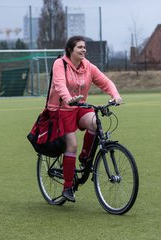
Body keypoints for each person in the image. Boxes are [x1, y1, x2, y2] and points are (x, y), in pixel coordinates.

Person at [47, 36, 122, 202]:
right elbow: (59, 84)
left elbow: (105, 82)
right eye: (80, 47)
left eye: (84, 47)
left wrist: (115, 95)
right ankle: (67, 186)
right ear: (70, 50)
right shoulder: (60, 64)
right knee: (71, 145)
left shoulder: (87, 66)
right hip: (62, 109)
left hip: (79, 108)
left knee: (96, 122)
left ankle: (85, 157)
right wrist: (68, 99)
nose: (83, 50)